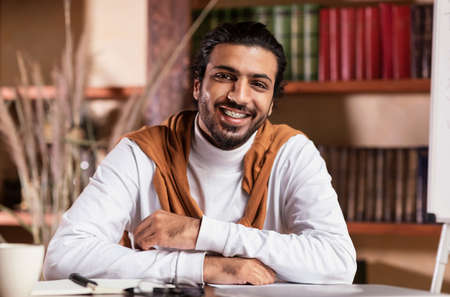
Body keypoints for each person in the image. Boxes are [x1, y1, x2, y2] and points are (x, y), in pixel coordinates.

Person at [43, 22, 356, 285]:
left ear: (272, 102)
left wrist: (200, 233)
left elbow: (339, 263)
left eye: (258, 84)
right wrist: (204, 267)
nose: (239, 96)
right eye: (224, 76)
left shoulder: (292, 153)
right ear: (197, 86)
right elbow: (62, 258)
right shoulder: (139, 153)